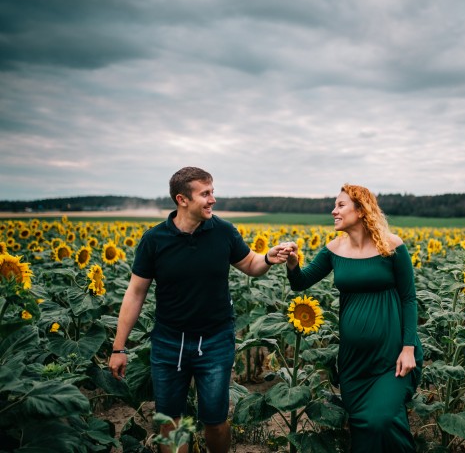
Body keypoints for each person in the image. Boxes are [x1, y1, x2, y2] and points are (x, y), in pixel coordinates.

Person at [109, 167, 291, 453]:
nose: (212, 199)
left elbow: (250, 265)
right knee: (171, 422)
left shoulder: (223, 231)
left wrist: (268, 257)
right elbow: (135, 293)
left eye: (212, 192)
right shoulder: (154, 240)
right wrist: (119, 348)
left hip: (215, 339)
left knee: (215, 421)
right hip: (169, 341)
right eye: (205, 194)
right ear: (182, 199)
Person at [283, 184, 423, 452]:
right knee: (362, 425)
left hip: (392, 356)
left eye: (340, 205)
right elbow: (301, 282)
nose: (333, 211)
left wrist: (408, 348)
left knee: (382, 420)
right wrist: (292, 263)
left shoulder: (391, 246)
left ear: (360, 210)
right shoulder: (334, 249)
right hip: (354, 362)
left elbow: (408, 298)